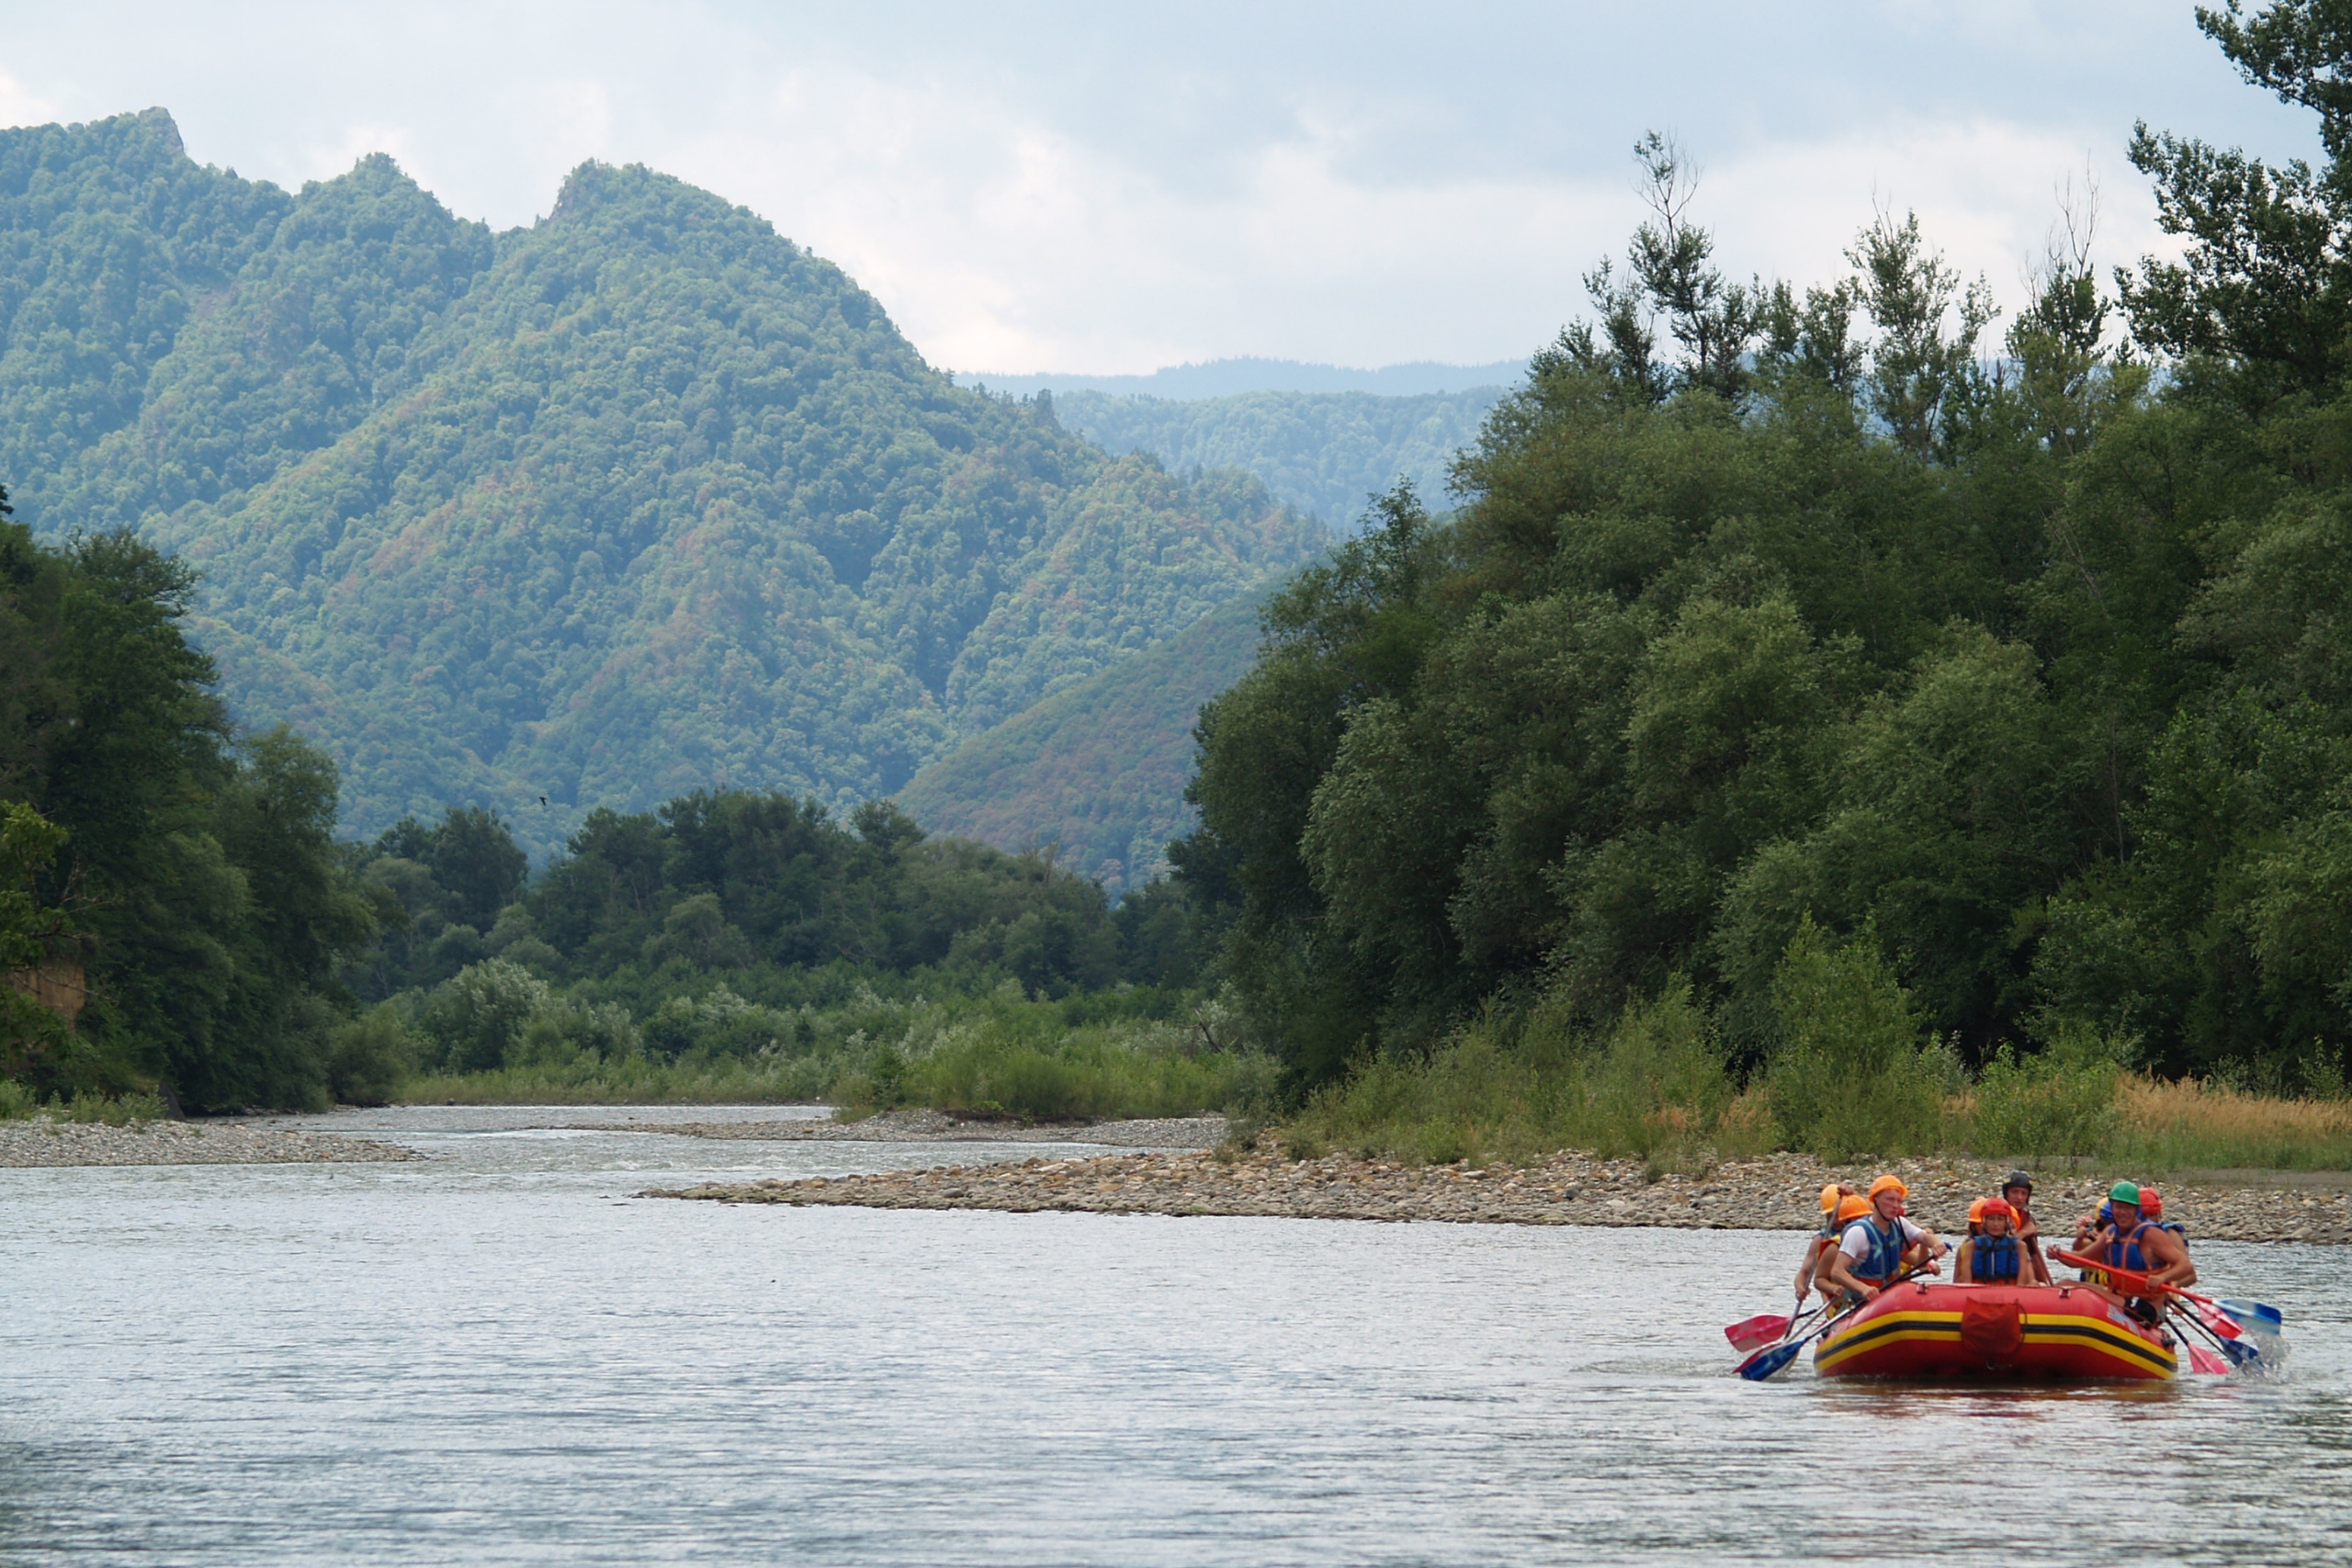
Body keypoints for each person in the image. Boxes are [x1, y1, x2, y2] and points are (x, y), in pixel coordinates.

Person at [2078, 1179, 2197, 1324]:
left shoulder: (2161, 1234)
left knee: (2146, 1312)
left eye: (2152, 1215)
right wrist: (2062, 1250)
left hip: (2148, 1299)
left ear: (2136, 1211)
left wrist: (2165, 1281)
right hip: (2119, 1297)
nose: (2149, 1220)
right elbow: (2081, 1255)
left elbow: (2187, 1270)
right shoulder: (2110, 1233)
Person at [1819, 1174, 1945, 1306]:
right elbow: (1837, 1272)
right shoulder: (1858, 1233)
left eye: (1898, 1201)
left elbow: (1924, 1236)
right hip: (1864, 1302)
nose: (1895, 1206)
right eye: (1890, 1200)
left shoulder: (1900, 1223)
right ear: (1876, 1200)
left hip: (1892, 1296)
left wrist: (1936, 1243)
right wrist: (1863, 1289)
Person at [1793, 1183, 1858, 1305]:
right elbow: (1804, 1272)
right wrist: (1800, 1288)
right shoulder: (1821, 1239)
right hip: (1834, 1294)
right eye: (1831, 1216)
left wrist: (1854, 1194)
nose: (1836, 1221)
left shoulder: (1860, 1229)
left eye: (1839, 1215)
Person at [2000, 1169, 2053, 1285]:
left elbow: (2035, 1255)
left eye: (2023, 1193)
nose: (2019, 1197)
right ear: (2006, 1193)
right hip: (1998, 1272)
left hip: (2022, 1273)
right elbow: (1998, 1248)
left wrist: (2045, 1285)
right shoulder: (1997, 1217)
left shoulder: (2028, 1219)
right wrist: (2023, 1232)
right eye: (2015, 1192)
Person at [1954, 1199, 2025, 1284]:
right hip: (1979, 1293)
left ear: (2006, 1222)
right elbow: (1967, 1283)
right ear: (1984, 1222)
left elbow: (2021, 1284)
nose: (1995, 1224)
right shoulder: (1972, 1245)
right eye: (1991, 1219)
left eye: (2000, 1219)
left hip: (2009, 1293)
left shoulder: (2020, 1246)